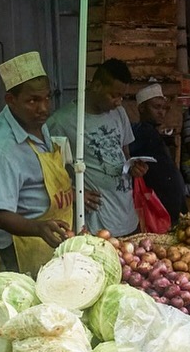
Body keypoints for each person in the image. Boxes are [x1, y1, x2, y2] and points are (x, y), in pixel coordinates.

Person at [0, 51, 73, 276]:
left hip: (52, 232)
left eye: (47, 98)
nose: (44, 108)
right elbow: (0, 215)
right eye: (33, 100)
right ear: (11, 100)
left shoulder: (34, 121)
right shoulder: (2, 150)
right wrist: (38, 228)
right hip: (24, 244)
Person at [48, 58, 147, 237]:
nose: (118, 102)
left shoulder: (119, 113)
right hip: (97, 223)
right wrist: (74, 193)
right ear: (97, 86)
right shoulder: (62, 121)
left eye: (122, 96)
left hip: (127, 216)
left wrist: (134, 167)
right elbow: (49, 171)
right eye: (114, 95)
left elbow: (125, 154)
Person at [130, 84, 187, 225]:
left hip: (168, 201)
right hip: (159, 203)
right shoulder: (141, 131)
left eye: (163, 108)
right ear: (142, 108)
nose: (161, 112)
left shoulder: (153, 133)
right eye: (156, 107)